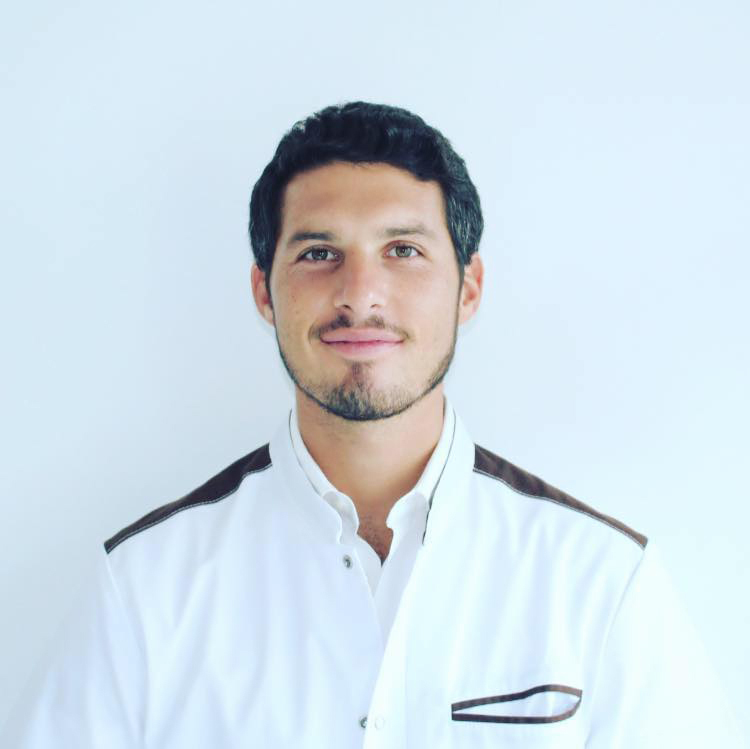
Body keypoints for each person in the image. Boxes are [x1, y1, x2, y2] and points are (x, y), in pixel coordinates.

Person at [2, 101, 744, 748]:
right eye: (319, 253)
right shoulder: (144, 589)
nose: (361, 294)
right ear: (264, 291)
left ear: (469, 287)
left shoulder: (600, 582)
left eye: (403, 251)